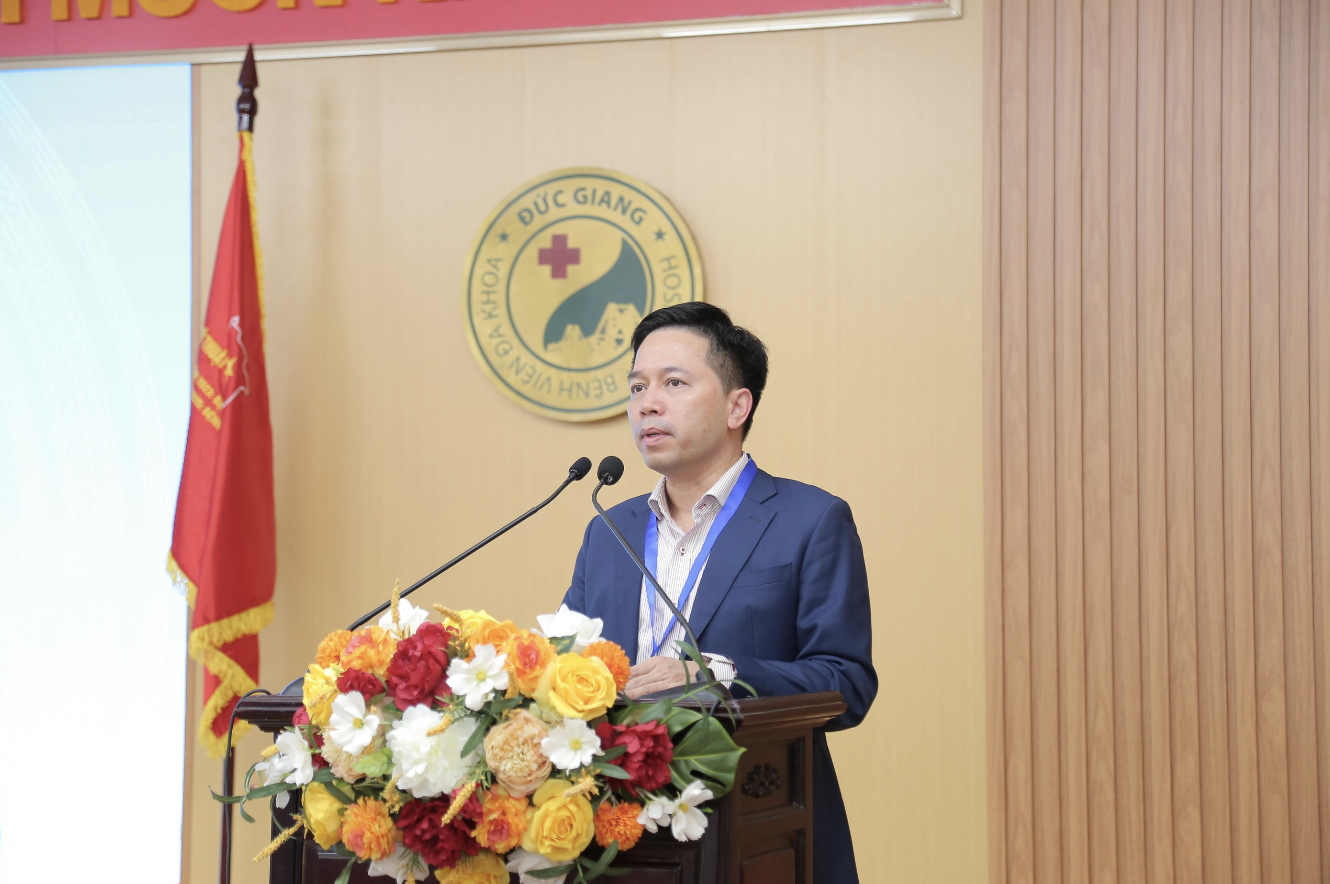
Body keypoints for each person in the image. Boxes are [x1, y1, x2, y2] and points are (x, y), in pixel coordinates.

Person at [562, 302, 877, 883]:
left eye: (673, 383)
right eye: (637, 387)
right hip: (618, 838)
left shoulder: (810, 520)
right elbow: (567, 668)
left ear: (738, 406)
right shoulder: (608, 530)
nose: (646, 404)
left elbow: (847, 684)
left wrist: (715, 674)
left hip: (757, 835)